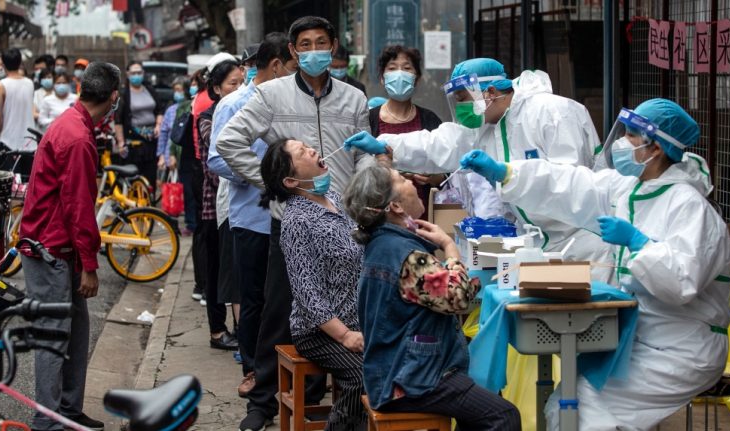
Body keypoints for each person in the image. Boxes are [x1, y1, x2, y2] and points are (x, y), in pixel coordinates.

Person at [459, 98, 730, 430]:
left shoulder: (689, 207)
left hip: (684, 346)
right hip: (643, 335)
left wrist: (639, 244)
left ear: (656, 148)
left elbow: (681, 283)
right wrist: (508, 173)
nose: (621, 142)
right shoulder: (628, 189)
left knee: (582, 408)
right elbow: (571, 185)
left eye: (631, 135)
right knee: (568, 402)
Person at [216, 16, 377, 431]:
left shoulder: (354, 98)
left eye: (321, 42)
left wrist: (359, 191)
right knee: (278, 313)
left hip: (343, 223)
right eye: (305, 44)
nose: (314, 50)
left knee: (344, 306)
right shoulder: (271, 94)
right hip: (292, 222)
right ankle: (262, 402)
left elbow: (365, 154)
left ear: (334, 46)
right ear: (292, 51)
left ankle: (318, 396)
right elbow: (229, 141)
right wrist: (273, 182)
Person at [345, 58, 611, 282]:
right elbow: (440, 143)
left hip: (581, 242)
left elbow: (570, 182)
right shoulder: (486, 125)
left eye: (463, 99)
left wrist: (508, 174)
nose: (460, 108)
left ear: (491, 92)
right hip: (539, 242)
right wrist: (386, 144)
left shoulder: (552, 112)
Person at [342, 164, 521, 430]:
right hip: (411, 378)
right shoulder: (405, 254)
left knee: (480, 409)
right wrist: (449, 247)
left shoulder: (384, 244)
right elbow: (459, 298)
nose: (412, 181)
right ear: (395, 207)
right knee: (503, 415)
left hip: (400, 371)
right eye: (402, 179)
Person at [19, 61, 120, 431]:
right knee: (53, 335)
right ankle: (46, 421)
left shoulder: (75, 125)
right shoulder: (77, 136)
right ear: (113, 96)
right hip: (50, 250)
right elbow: (79, 207)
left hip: (60, 248)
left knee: (76, 331)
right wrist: (89, 265)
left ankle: (68, 411)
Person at [209, 32, 296, 397]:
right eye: (292, 66)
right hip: (252, 217)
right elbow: (217, 159)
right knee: (253, 300)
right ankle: (253, 371)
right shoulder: (234, 104)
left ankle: (288, 372)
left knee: (289, 299)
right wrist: (264, 176)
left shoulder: (292, 101)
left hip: (292, 216)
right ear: (276, 65)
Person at [261, 139, 367, 430]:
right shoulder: (297, 221)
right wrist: (345, 335)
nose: (311, 150)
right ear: (291, 180)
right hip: (319, 332)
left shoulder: (333, 197)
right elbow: (307, 294)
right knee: (363, 376)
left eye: (307, 146)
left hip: (359, 321)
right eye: (301, 152)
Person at [196, 57, 245, 351]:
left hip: (241, 203)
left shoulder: (247, 110)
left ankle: (241, 329)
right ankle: (217, 330)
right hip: (215, 204)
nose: (239, 88)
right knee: (216, 269)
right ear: (216, 88)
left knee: (238, 270)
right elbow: (218, 159)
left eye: (242, 82)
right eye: (232, 84)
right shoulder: (208, 117)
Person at [370, 45, 442, 219]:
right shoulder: (369, 119)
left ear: (417, 79)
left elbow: (446, 174)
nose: (399, 74)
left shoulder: (430, 120)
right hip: (379, 215)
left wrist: (433, 177)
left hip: (423, 216)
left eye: (407, 68)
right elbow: (359, 168)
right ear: (382, 78)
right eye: (392, 68)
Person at [114, 60, 163, 187]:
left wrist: (158, 125)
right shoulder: (124, 94)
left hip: (151, 141)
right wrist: (121, 143)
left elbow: (159, 110)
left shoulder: (150, 90)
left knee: (150, 179)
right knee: (133, 179)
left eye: (139, 72)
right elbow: (118, 120)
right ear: (128, 74)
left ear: (143, 73)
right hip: (133, 143)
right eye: (133, 73)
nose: (136, 76)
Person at [0, 48, 35, 150]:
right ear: (20, 63)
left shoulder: (1, 85)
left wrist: (2, 130)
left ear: (3, 65)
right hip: (29, 141)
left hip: (8, 140)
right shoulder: (30, 83)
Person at [157, 76, 189, 172]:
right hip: (168, 159)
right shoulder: (171, 110)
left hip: (185, 158)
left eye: (179, 90)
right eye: (175, 90)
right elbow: (163, 134)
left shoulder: (192, 108)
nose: (176, 93)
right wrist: (161, 156)